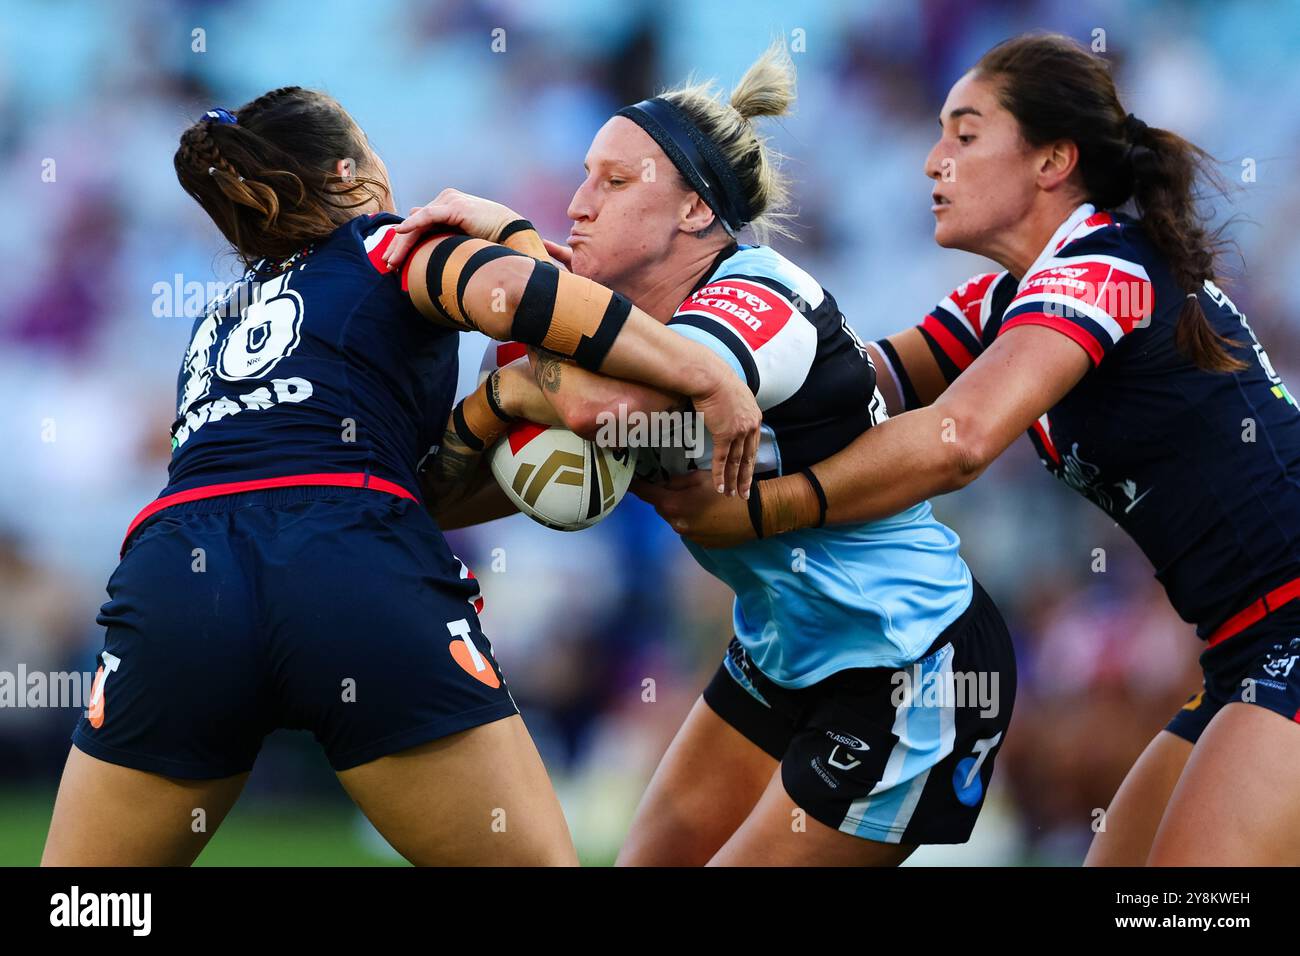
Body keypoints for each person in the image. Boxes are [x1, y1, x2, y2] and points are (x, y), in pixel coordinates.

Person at [41, 87, 761, 866]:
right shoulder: (389, 243)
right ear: (353, 170)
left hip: (178, 577)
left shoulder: (216, 320)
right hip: (349, 559)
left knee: (89, 905)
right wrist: (705, 373)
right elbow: (519, 300)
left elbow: (337, 466)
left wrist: (499, 402)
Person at [636, 33, 1300, 866]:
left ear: (1052, 160)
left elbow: (960, 440)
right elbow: (848, 383)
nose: (931, 161)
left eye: (966, 133)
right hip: (1245, 645)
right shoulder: (1009, 300)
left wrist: (764, 509)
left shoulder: (1098, 266)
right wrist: (680, 346)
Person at [389, 45, 1017, 866]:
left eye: (615, 183)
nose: (578, 204)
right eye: (584, 176)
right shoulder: (601, 328)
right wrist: (494, 403)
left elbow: (612, 413)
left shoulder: (760, 295)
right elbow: (454, 499)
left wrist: (508, 354)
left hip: (908, 659)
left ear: (692, 210)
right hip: (780, 650)